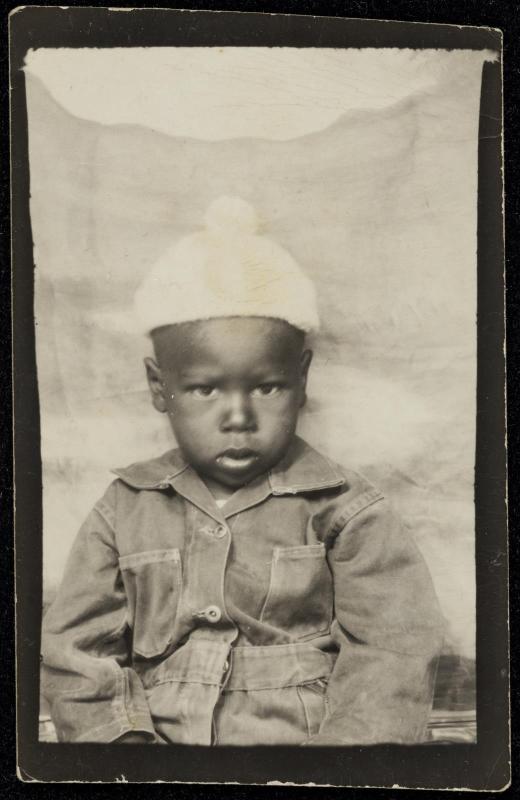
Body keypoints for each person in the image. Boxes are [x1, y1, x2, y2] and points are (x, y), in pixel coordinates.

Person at [41, 196, 445, 745]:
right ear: (161, 387)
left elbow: (394, 649)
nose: (238, 417)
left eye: (266, 386)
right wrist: (126, 749)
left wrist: (341, 765)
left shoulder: (347, 510)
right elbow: (75, 649)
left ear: (302, 379)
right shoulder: (124, 507)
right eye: (206, 389)